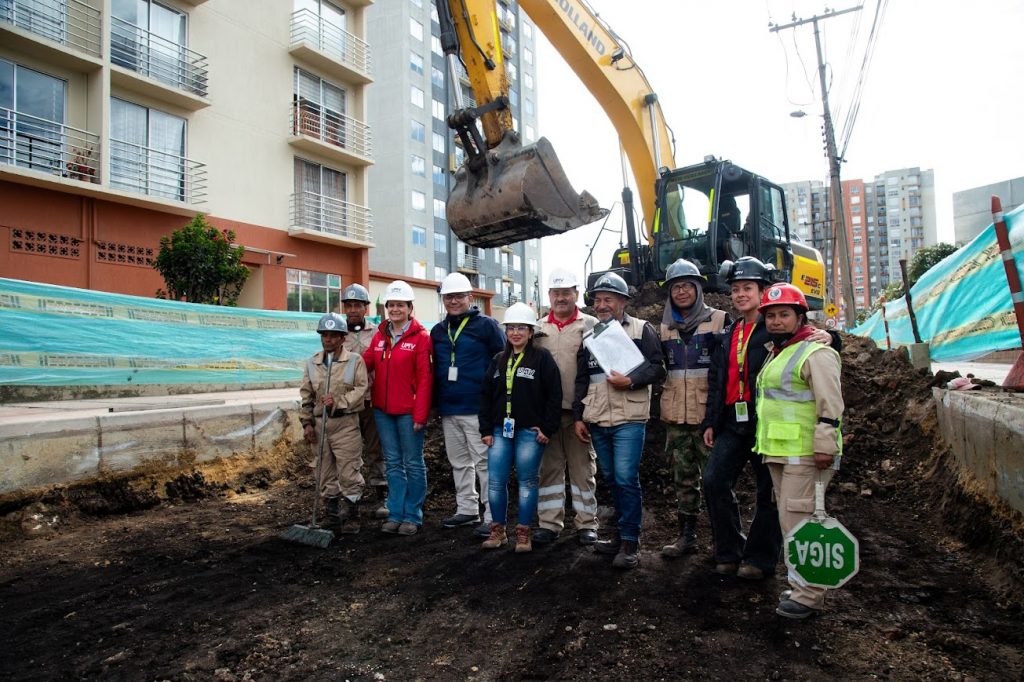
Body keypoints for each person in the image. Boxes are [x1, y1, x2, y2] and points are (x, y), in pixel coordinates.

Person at [703, 258, 840, 580]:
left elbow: (816, 344)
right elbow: (717, 379)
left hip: (767, 426)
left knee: (770, 493)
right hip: (734, 425)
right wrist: (711, 421)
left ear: (763, 292)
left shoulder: (778, 327)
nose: (740, 295)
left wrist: (832, 337)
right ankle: (729, 550)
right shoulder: (731, 332)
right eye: (735, 289)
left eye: (747, 288)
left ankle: (760, 559)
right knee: (713, 481)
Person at [753, 283, 844, 619]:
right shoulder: (779, 350)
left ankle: (808, 595)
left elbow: (830, 404)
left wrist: (825, 446)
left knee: (801, 520)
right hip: (780, 450)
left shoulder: (815, 352)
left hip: (807, 453)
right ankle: (801, 585)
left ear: (800, 316)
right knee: (789, 518)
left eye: (783, 314)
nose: (776, 321)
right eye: (771, 315)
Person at [573, 272, 665, 569]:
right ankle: (616, 536)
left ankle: (630, 542)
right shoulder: (589, 337)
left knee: (626, 478)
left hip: (629, 417)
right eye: (597, 300)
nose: (601, 305)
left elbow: (657, 368)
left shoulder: (641, 330)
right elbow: (581, 380)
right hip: (598, 417)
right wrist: (579, 417)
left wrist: (632, 380)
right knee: (611, 478)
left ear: (622, 301)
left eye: (608, 299)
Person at [657, 259, 730, 558]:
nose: (682, 291)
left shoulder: (720, 321)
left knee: (715, 480)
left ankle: (722, 541)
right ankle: (687, 537)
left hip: (707, 417)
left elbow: (726, 370)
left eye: (688, 285)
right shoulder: (662, 328)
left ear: (699, 288)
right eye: (676, 287)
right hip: (676, 415)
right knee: (683, 478)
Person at [478, 303, 562, 552]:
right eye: (511, 328)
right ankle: (498, 530)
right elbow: (485, 395)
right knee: (495, 482)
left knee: (527, 482)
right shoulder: (498, 360)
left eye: (521, 328)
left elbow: (554, 394)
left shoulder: (542, 358)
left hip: (528, 432)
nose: (515, 333)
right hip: (499, 432)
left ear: (531, 331)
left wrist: (548, 428)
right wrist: (485, 429)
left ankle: (523, 533)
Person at [431, 272, 506, 537]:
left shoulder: (487, 326)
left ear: (469, 298)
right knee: (459, 462)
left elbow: (503, 361)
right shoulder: (438, 331)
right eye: (448, 297)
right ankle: (467, 508)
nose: (453, 301)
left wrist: (497, 402)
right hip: (450, 407)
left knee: (484, 463)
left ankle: (493, 515)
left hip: (478, 407)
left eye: (458, 296)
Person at [532, 268, 600, 546]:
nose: (561, 298)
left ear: (576, 294)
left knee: (583, 469)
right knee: (549, 470)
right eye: (556, 293)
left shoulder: (591, 325)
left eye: (566, 292)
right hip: (547, 414)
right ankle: (549, 523)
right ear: (549, 295)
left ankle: (587, 524)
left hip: (579, 412)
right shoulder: (537, 329)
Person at [362, 280, 433, 536]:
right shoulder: (380, 335)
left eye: (400, 305)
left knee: (413, 463)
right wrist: (338, 365)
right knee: (392, 463)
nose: (395, 309)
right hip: (382, 410)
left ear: (409, 308)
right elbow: (366, 362)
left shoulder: (421, 337)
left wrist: (421, 414)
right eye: (391, 305)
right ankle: (396, 512)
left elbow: (425, 379)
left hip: (408, 412)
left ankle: (413, 515)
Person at [299, 312, 369, 534]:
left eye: (333, 336)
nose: (328, 340)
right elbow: (306, 396)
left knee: (349, 471)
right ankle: (331, 515)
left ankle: (352, 515)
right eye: (324, 335)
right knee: (324, 472)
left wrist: (338, 402)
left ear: (342, 338)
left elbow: (361, 389)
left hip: (345, 424)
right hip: (321, 426)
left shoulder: (355, 362)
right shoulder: (312, 363)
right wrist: (307, 424)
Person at [341, 282, 388, 521]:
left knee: (375, 448)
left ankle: (381, 494)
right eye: (348, 306)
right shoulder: (337, 334)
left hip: (371, 400)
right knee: (349, 451)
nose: (352, 310)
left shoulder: (377, 333)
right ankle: (352, 496)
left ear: (365, 308)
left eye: (357, 305)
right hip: (347, 403)